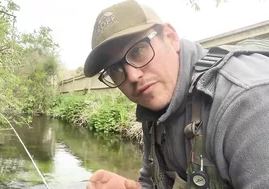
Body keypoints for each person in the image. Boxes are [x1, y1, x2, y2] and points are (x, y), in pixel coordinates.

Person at [83, 0, 269, 189]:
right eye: (115, 69)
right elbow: (152, 181)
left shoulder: (249, 103)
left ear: (170, 37)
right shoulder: (153, 105)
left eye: (138, 50)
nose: (132, 75)